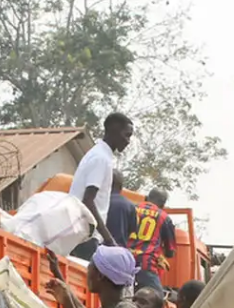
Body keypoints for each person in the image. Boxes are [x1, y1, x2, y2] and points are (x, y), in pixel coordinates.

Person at [69, 113, 134, 260]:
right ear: (114, 131)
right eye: (127, 135)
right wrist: (110, 240)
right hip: (85, 234)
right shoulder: (101, 159)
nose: (128, 141)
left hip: (81, 232)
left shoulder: (98, 154)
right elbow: (88, 200)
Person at [129, 189, 177, 292]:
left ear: (146, 198)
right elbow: (170, 252)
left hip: (124, 260)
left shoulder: (131, 208)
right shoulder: (164, 217)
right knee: (156, 299)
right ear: (163, 205)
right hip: (146, 264)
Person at [106, 170, 138, 249]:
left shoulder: (97, 201)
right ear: (121, 186)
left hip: (96, 249)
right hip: (118, 251)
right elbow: (132, 230)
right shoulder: (130, 206)